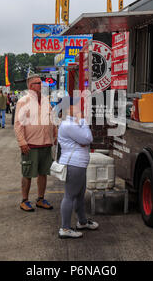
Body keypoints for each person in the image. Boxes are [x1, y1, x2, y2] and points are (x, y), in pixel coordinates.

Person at [14, 75, 57, 212]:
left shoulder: (45, 101)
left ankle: (40, 198)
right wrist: (22, 142)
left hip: (45, 142)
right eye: (38, 83)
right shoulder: (23, 101)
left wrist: (54, 135)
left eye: (41, 82)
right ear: (31, 86)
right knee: (27, 173)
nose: (41, 85)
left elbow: (52, 119)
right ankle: (24, 200)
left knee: (43, 173)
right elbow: (18, 124)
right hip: (30, 144)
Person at [57, 97, 98, 238]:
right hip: (74, 164)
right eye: (77, 106)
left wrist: (83, 132)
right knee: (69, 196)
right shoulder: (69, 124)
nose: (80, 109)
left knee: (79, 195)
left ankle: (82, 221)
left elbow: (85, 140)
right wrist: (84, 123)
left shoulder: (71, 123)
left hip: (78, 163)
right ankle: (65, 229)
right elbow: (88, 139)